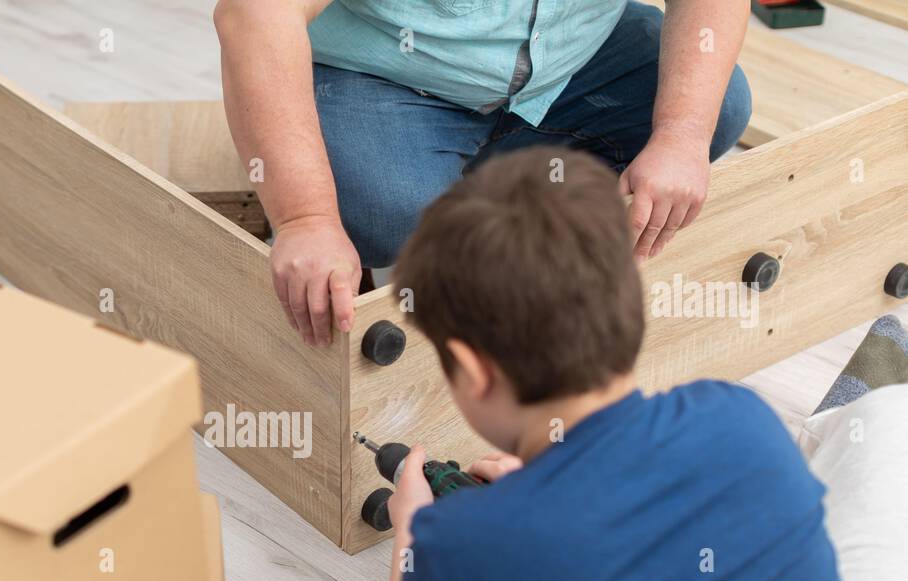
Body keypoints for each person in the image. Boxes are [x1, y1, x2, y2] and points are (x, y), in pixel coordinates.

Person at [292, 146, 908, 581]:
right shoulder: (735, 415)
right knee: (888, 424)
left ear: (478, 373)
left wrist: (414, 535)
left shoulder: (463, 543)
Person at [214, 0, 752, 347]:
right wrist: (305, 215)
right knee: (385, 213)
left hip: (568, 67)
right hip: (384, 72)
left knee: (716, 108)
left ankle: (478, 189)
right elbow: (255, 14)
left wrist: (681, 133)